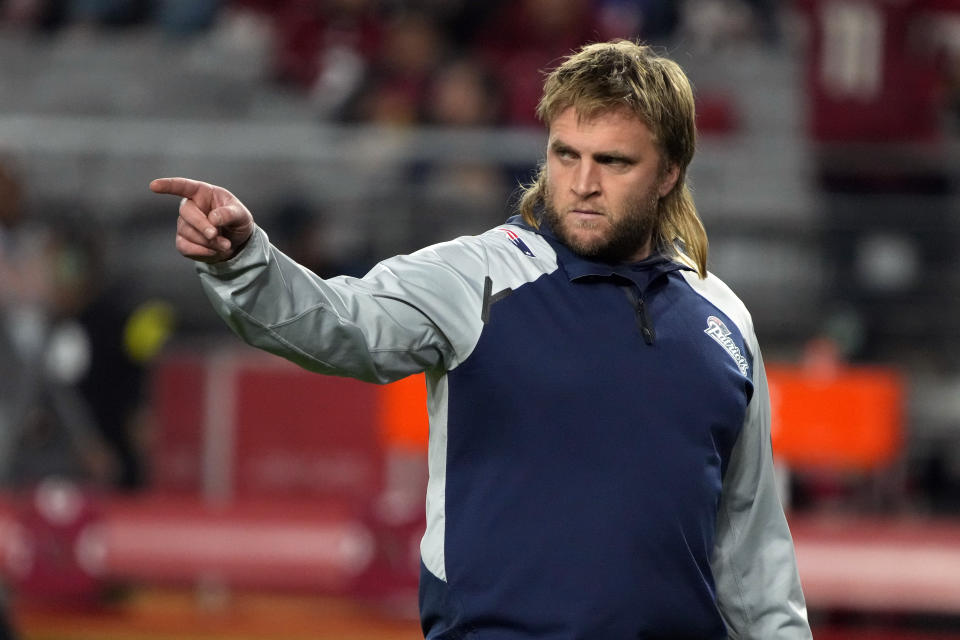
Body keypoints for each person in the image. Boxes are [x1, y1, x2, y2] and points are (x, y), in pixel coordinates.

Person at [151, 39, 811, 639]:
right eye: (566, 155)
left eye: (613, 162)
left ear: (668, 173)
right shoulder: (475, 278)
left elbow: (753, 553)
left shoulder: (721, 321)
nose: (582, 184)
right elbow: (336, 320)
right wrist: (243, 262)